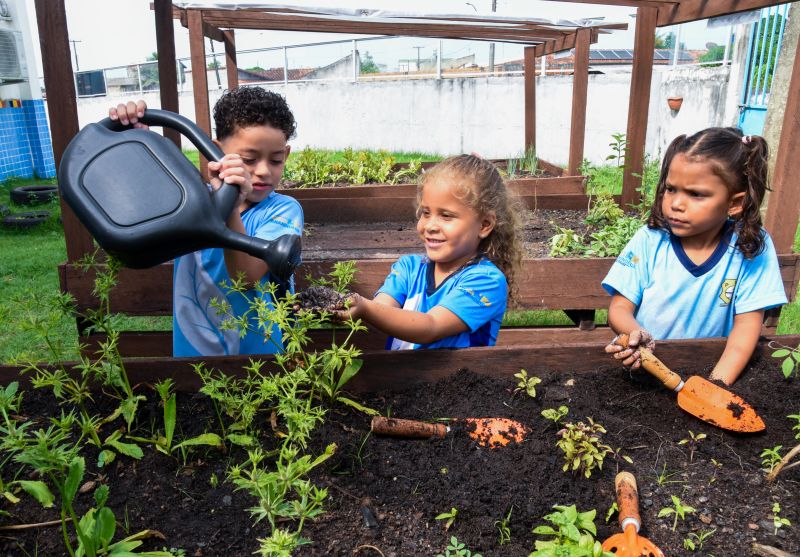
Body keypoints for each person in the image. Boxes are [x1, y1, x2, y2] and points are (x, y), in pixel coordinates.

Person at [109, 87, 303, 357]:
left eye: (276, 160)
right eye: (248, 159)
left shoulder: (283, 210)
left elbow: (245, 278)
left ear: (287, 154)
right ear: (215, 150)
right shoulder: (188, 203)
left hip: (261, 363)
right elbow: (131, 207)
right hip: (193, 361)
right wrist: (135, 140)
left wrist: (231, 207)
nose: (263, 171)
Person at [602, 127, 787, 385]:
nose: (676, 203)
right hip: (644, 370)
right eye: (671, 189)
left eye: (696, 194)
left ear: (735, 203)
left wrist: (714, 387)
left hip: (709, 367)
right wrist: (635, 333)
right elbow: (619, 308)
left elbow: (746, 329)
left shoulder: (751, 247)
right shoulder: (650, 240)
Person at [334, 154, 523, 350]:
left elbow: (430, 326)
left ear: (484, 225)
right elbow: (381, 308)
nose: (430, 225)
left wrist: (364, 307)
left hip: (456, 380)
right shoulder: (409, 268)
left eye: (446, 216)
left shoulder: (486, 280)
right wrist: (342, 304)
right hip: (396, 379)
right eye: (425, 213)